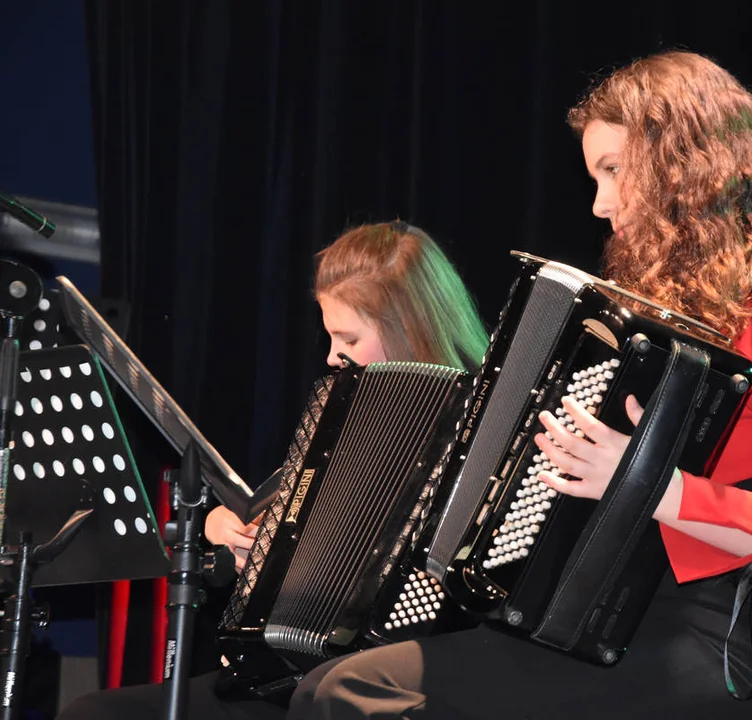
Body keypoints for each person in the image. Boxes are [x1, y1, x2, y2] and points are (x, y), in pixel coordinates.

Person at [287, 50, 752, 720]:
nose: (600, 205)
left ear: (684, 164)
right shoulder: (696, 305)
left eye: (613, 172)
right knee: (325, 685)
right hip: (630, 618)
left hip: (733, 640)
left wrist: (648, 484)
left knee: (353, 694)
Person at [56, 221, 490, 720]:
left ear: (407, 324)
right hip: (282, 674)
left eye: (347, 336)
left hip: (386, 680)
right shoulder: (343, 419)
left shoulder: (482, 429)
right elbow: (285, 524)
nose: (331, 355)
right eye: (329, 335)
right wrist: (229, 529)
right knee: (96, 713)